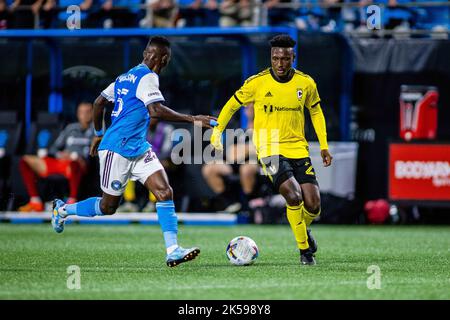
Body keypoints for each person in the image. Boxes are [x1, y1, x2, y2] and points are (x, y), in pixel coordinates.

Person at [51, 36, 216, 268]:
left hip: (138, 147)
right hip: (117, 149)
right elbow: (156, 111)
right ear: (166, 60)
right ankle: (63, 209)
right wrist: (193, 118)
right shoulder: (148, 77)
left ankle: (173, 250)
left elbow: (99, 102)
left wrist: (98, 132)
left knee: (164, 191)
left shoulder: (124, 77)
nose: (149, 57)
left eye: (150, 53)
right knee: (108, 207)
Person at [210, 34, 333, 265]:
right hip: (268, 147)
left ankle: (302, 231)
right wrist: (217, 131)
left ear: (292, 57)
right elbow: (231, 105)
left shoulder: (306, 83)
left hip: (298, 147)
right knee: (293, 195)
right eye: (275, 58)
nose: (279, 63)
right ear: (271, 57)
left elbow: (316, 112)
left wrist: (324, 145)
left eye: (285, 59)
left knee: (314, 205)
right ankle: (305, 251)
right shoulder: (257, 82)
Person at [19, 102, 94, 212]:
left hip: (78, 165)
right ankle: (35, 202)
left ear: (93, 113)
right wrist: (61, 154)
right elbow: (54, 148)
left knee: (74, 163)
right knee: (26, 160)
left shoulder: (98, 130)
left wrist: (77, 157)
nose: (84, 115)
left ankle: (71, 202)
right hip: (62, 162)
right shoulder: (70, 128)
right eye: (81, 112)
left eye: (87, 112)